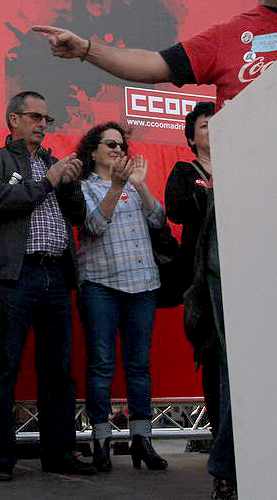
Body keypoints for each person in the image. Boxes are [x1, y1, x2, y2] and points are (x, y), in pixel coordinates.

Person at [32, 0, 277, 500]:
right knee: (244, 351)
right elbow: (152, 64)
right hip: (250, 220)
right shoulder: (234, 34)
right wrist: (85, 49)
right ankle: (232, 472)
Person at [0, 91, 94, 481]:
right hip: (14, 275)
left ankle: (60, 452)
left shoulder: (54, 163)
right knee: (5, 367)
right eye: (35, 116)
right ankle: (1, 459)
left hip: (56, 274)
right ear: (13, 120)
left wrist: (71, 183)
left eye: (47, 118)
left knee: (58, 369)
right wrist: (47, 183)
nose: (43, 124)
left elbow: (77, 217)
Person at [74, 122, 168, 473]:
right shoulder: (84, 187)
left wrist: (140, 186)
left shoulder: (134, 184)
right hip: (101, 284)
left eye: (121, 145)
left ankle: (142, 440)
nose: (117, 150)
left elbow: (159, 222)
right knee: (101, 364)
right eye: (109, 144)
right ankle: (101, 441)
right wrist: (114, 188)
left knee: (139, 366)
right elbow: (93, 227)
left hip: (143, 283)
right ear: (93, 151)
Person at [164, 103, 219, 441]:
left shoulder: (245, 164)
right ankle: (219, 438)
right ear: (191, 136)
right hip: (204, 277)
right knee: (213, 353)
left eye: (217, 122)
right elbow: (176, 210)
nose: (211, 128)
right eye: (204, 124)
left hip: (243, 272)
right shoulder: (186, 170)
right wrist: (208, 193)